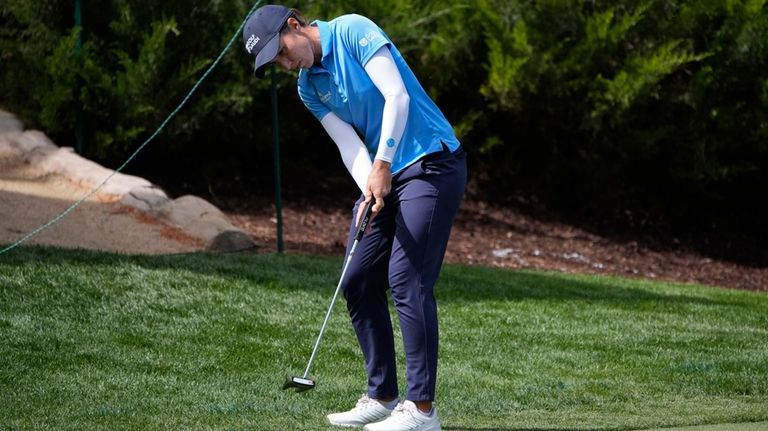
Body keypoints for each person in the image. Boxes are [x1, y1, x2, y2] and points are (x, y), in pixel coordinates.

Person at [243, 5, 466, 431]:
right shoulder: (309, 88)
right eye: (274, 62)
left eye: (281, 52)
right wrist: (369, 184)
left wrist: (382, 164)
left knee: (407, 277)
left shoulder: (352, 30)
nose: (284, 64)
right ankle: (383, 396)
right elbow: (349, 146)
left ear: (294, 25)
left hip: (431, 161)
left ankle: (422, 411)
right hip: (385, 172)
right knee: (359, 276)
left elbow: (396, 97)